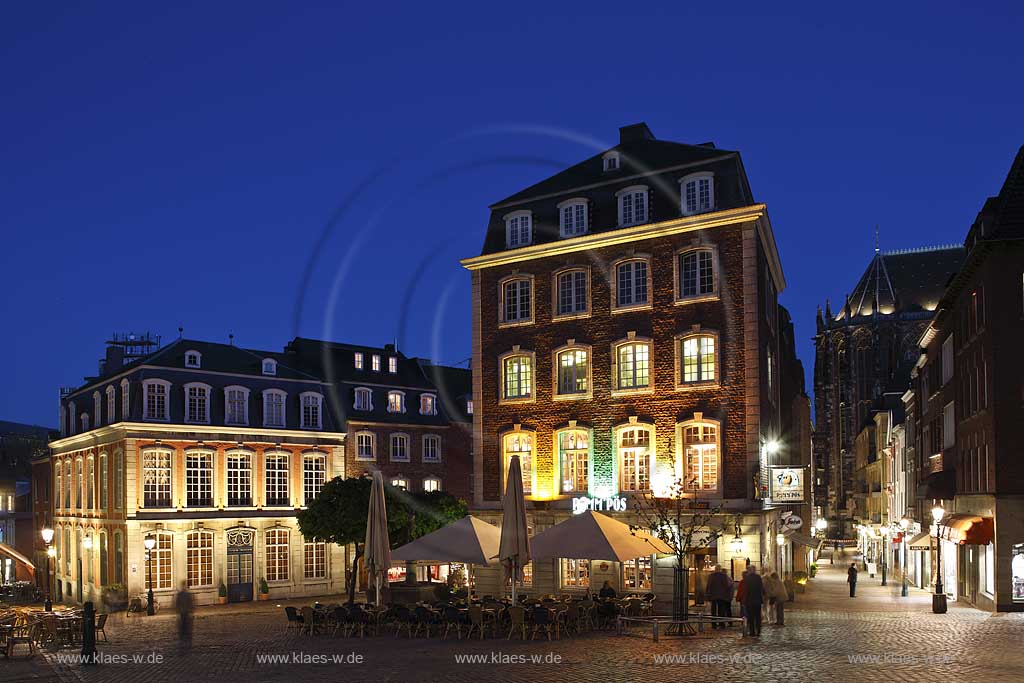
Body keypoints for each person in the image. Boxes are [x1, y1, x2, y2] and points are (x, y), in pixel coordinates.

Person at [706, 565, 734, 630]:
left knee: (713, 610)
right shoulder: (724, 576)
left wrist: (707, 594)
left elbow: (708, 585)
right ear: (720, 569)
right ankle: (721, 623)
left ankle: (714, 624)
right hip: (722, 596)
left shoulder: (711, 576)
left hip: (713, 595)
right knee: (721, 610)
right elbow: (727, 585)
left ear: (715, 569)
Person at [742, 568, 765, 637]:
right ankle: (758, 631)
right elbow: (762, 588)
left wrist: (744, 600)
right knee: (758, 616)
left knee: (751, 617)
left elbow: (746, 590)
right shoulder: (758, 577)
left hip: (750, 601)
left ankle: (752, 632)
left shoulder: (747, 578)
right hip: (758, 600)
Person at [175, 581, 195, 653]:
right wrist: (178, 613)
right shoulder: (181, 594)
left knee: (186, 630)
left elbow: (191, 604)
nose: (184, 587)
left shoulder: (187, 594)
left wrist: (191, 612)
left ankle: (186, 644)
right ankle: (184, 644)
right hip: (182, 614)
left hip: (186, 614)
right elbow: (177, 604)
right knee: (183, 630)